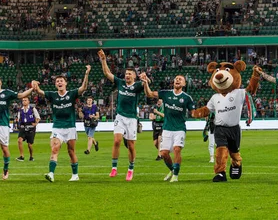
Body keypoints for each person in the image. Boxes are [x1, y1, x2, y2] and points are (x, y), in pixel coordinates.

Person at [36, 66, 90, 182]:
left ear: (66, 83)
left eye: (61, 81)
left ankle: (75, 175)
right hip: (57, 127)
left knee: (71, 151)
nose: (59, 82)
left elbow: (83, 87)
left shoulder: (71, 94)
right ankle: (51, 173)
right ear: (55, 84)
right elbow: (39, 92)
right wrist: (35, 85)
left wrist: (86, 74)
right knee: (55, 148)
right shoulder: (52, 95)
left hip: (70, 127)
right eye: (57, 81)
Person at [140, 74, 196, 182]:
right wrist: (146, 83)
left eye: (180, 79)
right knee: (164, 153)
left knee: (176, 149)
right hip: (167, 128)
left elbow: (193, 112)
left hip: (179, 128)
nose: (177, 80)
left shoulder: (187, 98)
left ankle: (175, 175)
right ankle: (172, 169)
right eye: (176, 79)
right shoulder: (166, 94)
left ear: (184, 84)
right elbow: (150, 94)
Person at [99, 49, 144, 181]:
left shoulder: (137, 86)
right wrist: (103, 60)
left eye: (130, 74)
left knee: (131, 145)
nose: (127, 75)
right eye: (126, 74)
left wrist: (146, 80)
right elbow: (107, 73)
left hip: (131, 119)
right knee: (117, 140)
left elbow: (148, 88)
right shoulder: (120, 83)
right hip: (120, 117)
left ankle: (130, 169)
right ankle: (114, 168)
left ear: (134, 76)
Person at [2, 82, 37, 179]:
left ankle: (6, 169)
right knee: (18, 141)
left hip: (2, 125)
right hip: (18, 126)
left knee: (4, 148)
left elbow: (21, 95)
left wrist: (31, 88)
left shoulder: (6, 93)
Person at [16, 97, 41, 162]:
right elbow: (18, 119)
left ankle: (31, 156)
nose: (24, 101)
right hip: (23, 127)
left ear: (28, 101)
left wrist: (35, 124)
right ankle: (22, 156)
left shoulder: (33, 109)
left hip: (31, 128)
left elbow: (38, 117)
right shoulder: (20, 110)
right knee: (19, 140)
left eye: (25, 100)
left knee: (30, 144)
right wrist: (18, 125)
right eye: (23, 100)